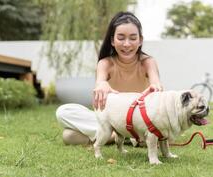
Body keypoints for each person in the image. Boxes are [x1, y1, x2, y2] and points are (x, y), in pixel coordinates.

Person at [56, 11, 163, 145]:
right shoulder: (105, 64)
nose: (127, 44)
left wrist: (156, 88)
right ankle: (123, 136)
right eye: (121, 38)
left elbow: (156, 83)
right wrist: (102, 84)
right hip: (112, 119)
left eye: (133, 38)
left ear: (140, 40)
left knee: (70, 136)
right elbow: (100, 82)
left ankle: (116, 136)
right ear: (112, 40)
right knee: (64, 115)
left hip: (140, 120)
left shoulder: (148, 62)